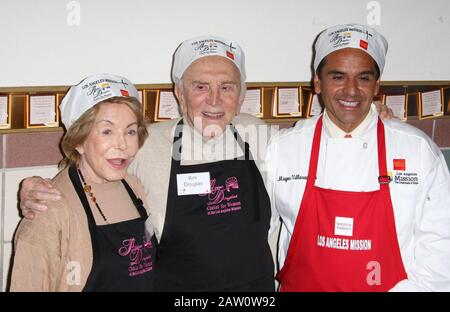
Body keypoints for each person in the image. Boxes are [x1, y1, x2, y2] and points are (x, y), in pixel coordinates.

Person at [18, 36, 276, 291]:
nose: (214, 99)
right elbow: (89, 165)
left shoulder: (260, 136)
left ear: (241, 95)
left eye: (226, 87)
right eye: (200, 86)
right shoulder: (147, 145)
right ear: (180, 94)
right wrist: (37, 190)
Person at [266, 24, 450, 291]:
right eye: (337, 77)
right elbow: (258, 235)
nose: (351, 90)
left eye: (363, 78)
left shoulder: (418, 151)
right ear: (317, 83)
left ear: (377, 86)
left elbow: (442, 248)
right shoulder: (284, 148)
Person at [10, 73, 157, 291]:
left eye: (131, 131)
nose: (122, 144)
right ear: (79, 141)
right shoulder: (48, 208)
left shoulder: (134, 187)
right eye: (107, 131)